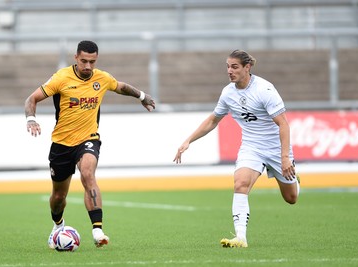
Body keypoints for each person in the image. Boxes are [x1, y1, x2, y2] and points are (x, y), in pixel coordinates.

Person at [25, 40, 155, 249]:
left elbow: (120, 86)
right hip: (61, 143)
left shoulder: (101, 78)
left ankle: (97, 230)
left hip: (89, 138)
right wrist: (31, 119)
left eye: (92, 62)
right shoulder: (61, 78)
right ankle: (58, 224)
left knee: (87, 173)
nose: (87, 66)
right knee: (59, 197)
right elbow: (32, 99)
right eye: (84, 61)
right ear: (76, 57)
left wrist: (142, 96)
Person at [173, 49, 299, 248]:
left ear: (247, 67)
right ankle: (241, 237)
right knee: (240, 183)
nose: (229, 71)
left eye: (234, 67)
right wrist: (189, 140)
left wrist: (284, 158)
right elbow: (213, 119)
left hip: (275, 148)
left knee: (291, 198)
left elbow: (283, 124)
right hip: (251, 147)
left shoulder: (264, 90)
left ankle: (293, 178)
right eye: (227, 66)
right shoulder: (228, 92)